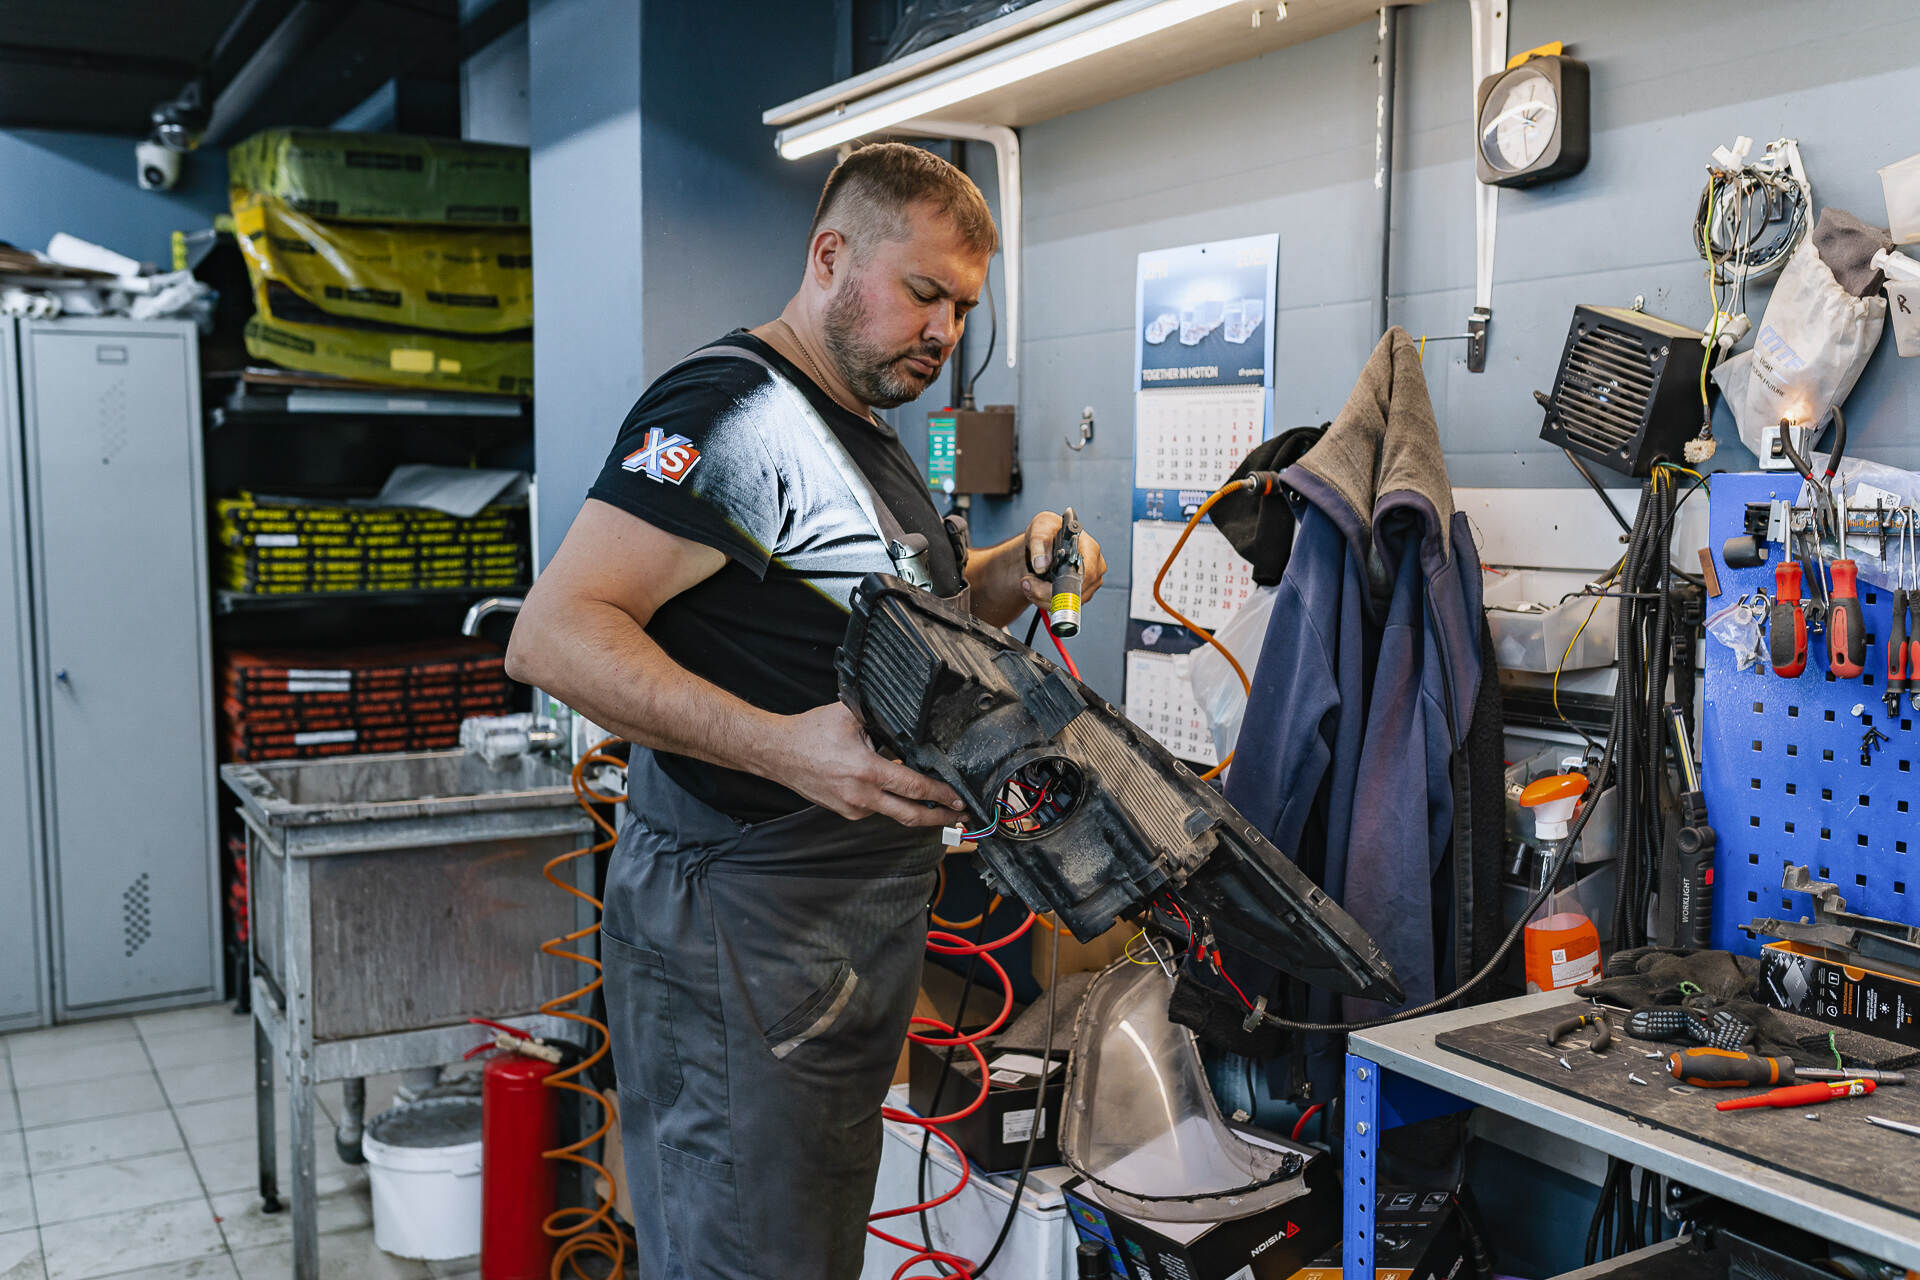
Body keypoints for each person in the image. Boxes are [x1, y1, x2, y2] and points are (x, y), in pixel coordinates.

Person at [506, 142, 1106, 1280]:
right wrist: (784, 748)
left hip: (836, 928)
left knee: (800, 1246)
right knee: (745, 1254)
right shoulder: (733, 409)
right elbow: (555, 632)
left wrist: (1010, 571)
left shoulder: (857, 424)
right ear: (830, 256)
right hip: (743, 923)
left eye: (962, 308)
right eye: (923, 293)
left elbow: (878, 615)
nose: (944, 331)